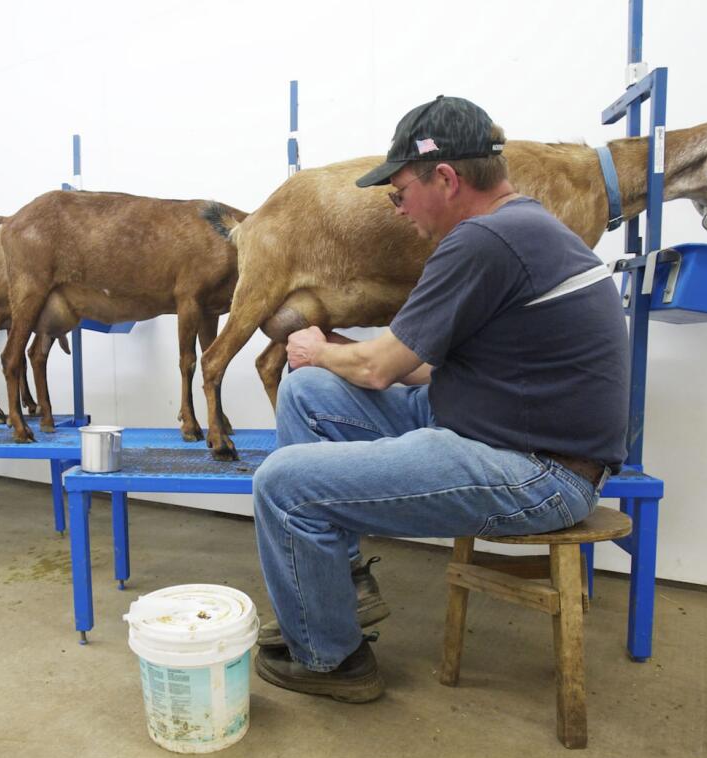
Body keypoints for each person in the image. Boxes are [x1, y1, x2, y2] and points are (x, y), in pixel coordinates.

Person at [251, 95, 631, 702]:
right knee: (306, 394)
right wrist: (330, 358)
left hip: (537, 471)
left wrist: (319, 346)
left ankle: (332, 660)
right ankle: (341, 589)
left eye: (399, 193)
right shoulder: (522, 226)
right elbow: (423, 368)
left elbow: (380, 369)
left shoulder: (484, 241)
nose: (397, 210)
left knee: (283, 482)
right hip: (495, 423)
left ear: (447, 179)